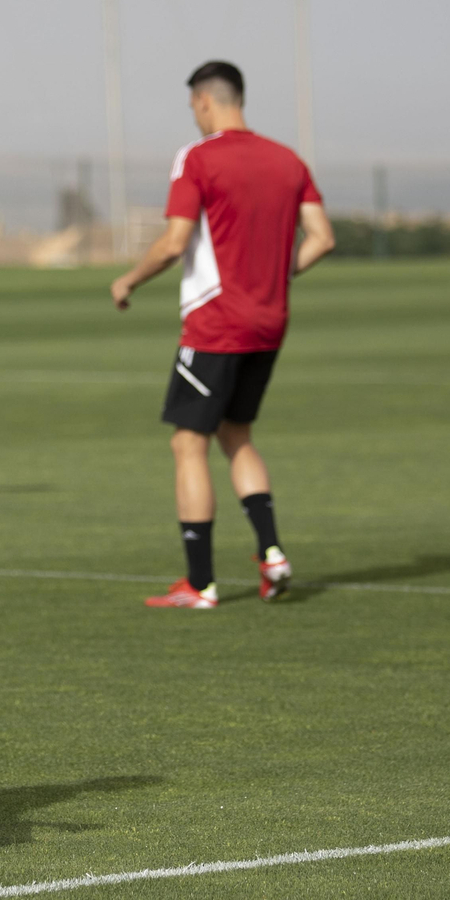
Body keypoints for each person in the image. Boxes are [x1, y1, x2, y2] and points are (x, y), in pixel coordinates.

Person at [110, 61, 335, 608]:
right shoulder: (289, 160)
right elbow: (322, 238)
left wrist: (129, 279)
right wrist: (275, 277)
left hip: (215, 324)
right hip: (269, 322)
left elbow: (173, 241)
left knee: (188, 444)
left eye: (193, 106)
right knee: (237, 435)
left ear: (205, 101)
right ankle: (272, 554)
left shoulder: (198, 158)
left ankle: (201, 583)